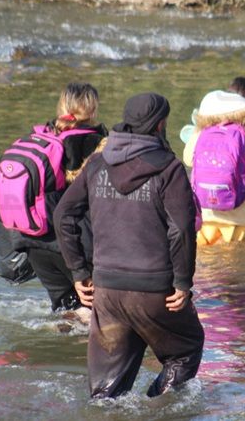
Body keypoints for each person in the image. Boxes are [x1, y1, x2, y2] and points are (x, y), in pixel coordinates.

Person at [54, 92, 204, 399]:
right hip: (156, 292)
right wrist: (182, 283)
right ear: (160, 124)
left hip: (106, 293)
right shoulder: (170, 169)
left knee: (105, 394)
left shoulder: (96, 164)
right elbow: (181, 230)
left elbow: (63, 214)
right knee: (185, 350)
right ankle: (158, 409)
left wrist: (79, 272)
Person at [0, 83, 107, 319]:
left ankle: (56, 356)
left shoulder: (40, 138)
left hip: (33, 245)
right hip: (73, 248)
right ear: (93, 110)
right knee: (97, 317)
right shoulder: (95, 143)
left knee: (66, 314)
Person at [183, 78, 245, 245]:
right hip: (237, 216)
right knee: (232, 263)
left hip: (205, 213)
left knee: (205, 262)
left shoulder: (204, 128)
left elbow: (188, 159)